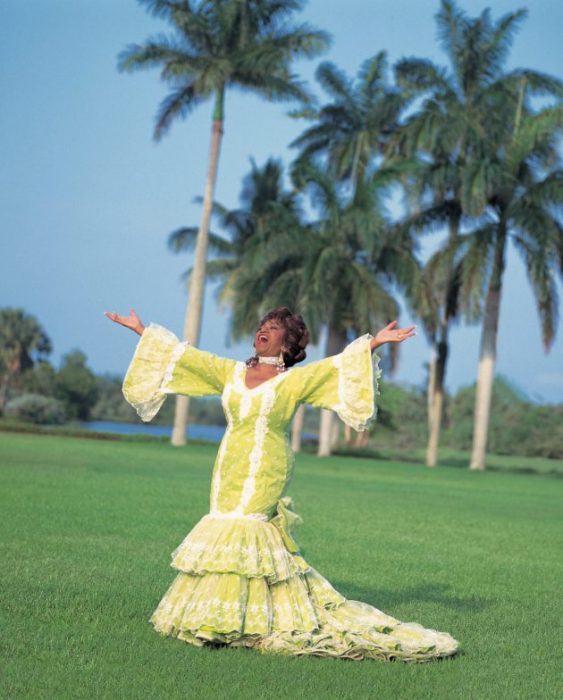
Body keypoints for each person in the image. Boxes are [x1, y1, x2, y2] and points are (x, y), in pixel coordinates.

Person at [105, 307, 459, 661]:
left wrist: (373, 343)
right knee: (223, 525)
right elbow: (187, 358)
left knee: (248, 528)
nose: (263, 330)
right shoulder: (229, 372)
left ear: (287, 343)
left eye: (273, 328)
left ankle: (248, 622)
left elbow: (333, 367)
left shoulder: (293, 380)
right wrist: (141, 330)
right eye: (262, 325)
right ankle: (215, 619)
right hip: (229, 464)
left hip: (267, 466)